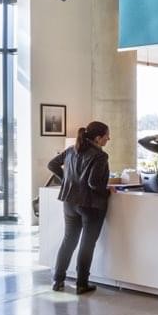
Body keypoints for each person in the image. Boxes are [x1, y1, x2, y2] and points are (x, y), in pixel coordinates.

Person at [47, 121, 111, 294]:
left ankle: (58, 280)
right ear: (98, 138)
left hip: (69, 202)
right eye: (107, 136)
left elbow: (51, 165)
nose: (108, 138)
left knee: (68, 240)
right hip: (90, 204)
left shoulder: (71, 150)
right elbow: (94, 183)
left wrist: (67, 179)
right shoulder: (99, 156)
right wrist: (107, 191)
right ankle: (82, 283)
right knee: (87, 244)